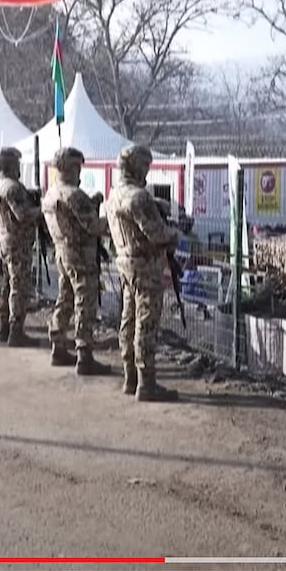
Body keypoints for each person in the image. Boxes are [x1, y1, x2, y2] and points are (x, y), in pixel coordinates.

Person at [106, 144, 181, 402]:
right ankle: (146, 383)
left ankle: (130, 377)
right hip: (146, 267)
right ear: (137, 167)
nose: (147, 172)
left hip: (126, 265)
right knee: (146, 324)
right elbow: (157, 234)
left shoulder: (114, 194)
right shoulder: (138, 197)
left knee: (128, 320)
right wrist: (175, 234)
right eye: (145, 166)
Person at [41, 147, 113, 372]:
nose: (79, 172)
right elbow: (93, 226)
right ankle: (84, 354)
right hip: (81, 256)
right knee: (85, 302)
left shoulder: (51, 193)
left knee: (65, 299)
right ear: (71, 168)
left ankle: (58, 344)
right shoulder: (74, 194)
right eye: (77, 167)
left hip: (63, 253)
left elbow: (70, 218)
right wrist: (113, 219)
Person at [0, 147, 42, 347]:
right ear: (12, 166)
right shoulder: (13, 188)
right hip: (17, 242)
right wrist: (42, 208)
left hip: (5, 240)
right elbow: (23, 214)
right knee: (19, 287)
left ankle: (5, 326)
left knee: (8, 285)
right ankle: (16, 330)